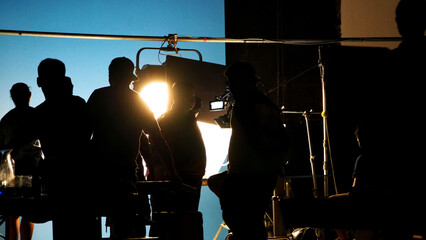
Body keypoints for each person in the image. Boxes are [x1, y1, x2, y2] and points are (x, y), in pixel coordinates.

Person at [87, 57, 176, 238]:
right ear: (130, 78)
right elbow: (157, 138)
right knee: (128, 226)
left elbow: (82, 135)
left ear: (111, 76)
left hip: (98, 174)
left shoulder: (98, 96)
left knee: (93, 223)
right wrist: (173, 172)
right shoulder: (137, 101)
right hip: (125, 174)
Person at [208, 61, 288, 240]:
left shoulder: (249, 105)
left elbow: (259, 139)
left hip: (249, 176)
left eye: (231, 82)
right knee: (248, 221)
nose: (229, 87)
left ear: (241, 81)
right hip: (254, 174)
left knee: (244, 222)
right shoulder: (258, 104)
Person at [35, 58, 94, 239]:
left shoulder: (40, 113)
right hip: (82, 183)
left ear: (39, 82)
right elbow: (86, 134)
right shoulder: (78, 105)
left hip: (58, 184)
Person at [157, 81, 206, 211]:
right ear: (177, 96)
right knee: (184, 218)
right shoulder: (169, 120)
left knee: (187, 218)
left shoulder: (185, 118)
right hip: (182, 177)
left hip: (190, 175)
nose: (193, 99)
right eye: (189, 95)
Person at [0, 83, 37, 240]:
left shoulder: (6, 119)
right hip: (32, 169)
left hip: (10, 170)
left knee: (12, 212)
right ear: (29, 95)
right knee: (29, 212)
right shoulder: (36, 115)